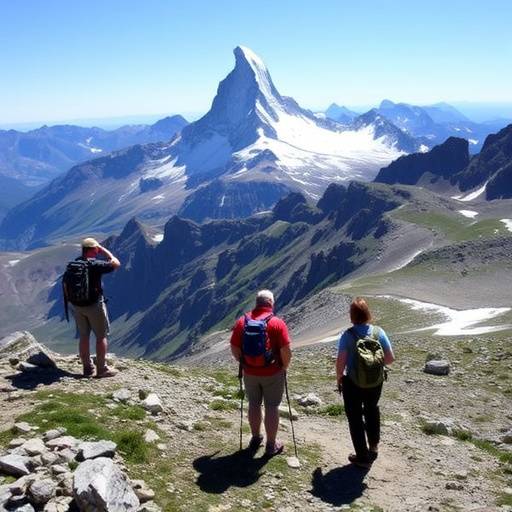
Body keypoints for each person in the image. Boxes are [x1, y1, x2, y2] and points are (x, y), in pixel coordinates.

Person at [230, 290, 292, 456]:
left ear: (256, 303)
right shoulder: (277, 323)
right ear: (271, 303)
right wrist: (284, 366)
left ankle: (256, 437)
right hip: (272, 372)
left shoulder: (242, 321)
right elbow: (286, 350)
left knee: (254, 404)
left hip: (249, 372)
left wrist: (243, 362)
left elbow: (234, 347)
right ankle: (271, 445)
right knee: (272, 406)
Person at [336, 297, 395, 469]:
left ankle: (362, 457)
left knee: (354, 417)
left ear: (352, 315)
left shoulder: (348, 335)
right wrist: (373, 365)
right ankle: (374, 448)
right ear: (368, 313)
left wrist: (339, 377)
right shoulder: (379, 332)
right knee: (372, 410)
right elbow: (390, 358)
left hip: (353, 383)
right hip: (375, 382)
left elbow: (341, 362)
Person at [64, 237, 121, 378]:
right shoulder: (95, 265)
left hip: (76, 306)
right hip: (94, 305)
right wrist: (105, 251)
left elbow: (65, 284)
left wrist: (72, 304)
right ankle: (101, 369)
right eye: (97, 248)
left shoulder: (75, 264)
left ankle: (87, 368)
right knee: (101, 336)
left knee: (84, 336)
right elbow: (116, 264)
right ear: (94, 250)